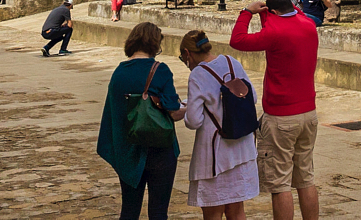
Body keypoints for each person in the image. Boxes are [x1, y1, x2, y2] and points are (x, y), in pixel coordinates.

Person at [231, 0, 320, 220]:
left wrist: (247, 12)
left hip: (280, 117)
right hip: (308, 113)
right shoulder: (308, 25)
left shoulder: (273, 32)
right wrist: (270, 13)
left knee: (280, 183)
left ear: (272, 13)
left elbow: (237, 40)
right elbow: (291, 15)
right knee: (305, 178)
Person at [98, 22, 183, 220]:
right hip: (160, 149)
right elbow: (173, 111)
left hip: (128, 150)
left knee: (129, 209)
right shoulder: (160, 70)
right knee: (158, 211)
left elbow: (114, 114)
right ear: (154, 44)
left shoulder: (119, 73)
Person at [178, 29, 260, 220]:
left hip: (216, 155)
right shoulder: (232, 62)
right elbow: (252, 97)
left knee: (213, 211)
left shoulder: (198, 74)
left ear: (187, 54)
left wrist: (186, 108)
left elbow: (194, 120)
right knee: (237, 210)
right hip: (242, 149)